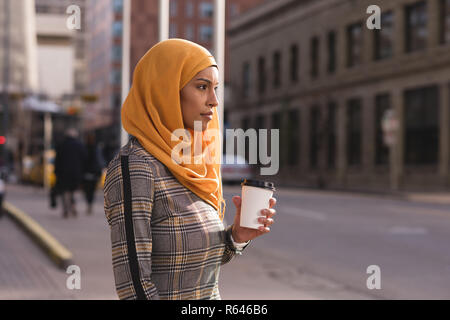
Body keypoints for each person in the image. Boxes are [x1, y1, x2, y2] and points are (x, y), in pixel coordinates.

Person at [103, 39, 277, 300]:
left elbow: (200, 266)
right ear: (166, 90)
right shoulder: (137, 167)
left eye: (216, 88)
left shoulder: (194, 162)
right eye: (202, 87)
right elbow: (134, 286)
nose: (214, 101)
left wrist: (238, 236)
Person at [54, 128, 87, 218]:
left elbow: (57, 160)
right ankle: (73, 206)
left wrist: (56, 171)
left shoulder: (62, 145)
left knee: (65, 191)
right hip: (76, 172)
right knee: (73, 190)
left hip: (63, 172)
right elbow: (84, 159)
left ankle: (66, 209)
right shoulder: (80, 145)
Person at [81, 132, 104, 215]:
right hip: (94, 173)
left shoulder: (84, 148)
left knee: (87, 190)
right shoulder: (96, 148)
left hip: (86, 172)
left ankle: (89, 204)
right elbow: (99, 160)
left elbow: (82, 161)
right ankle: (90, 204)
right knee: (91, 190)